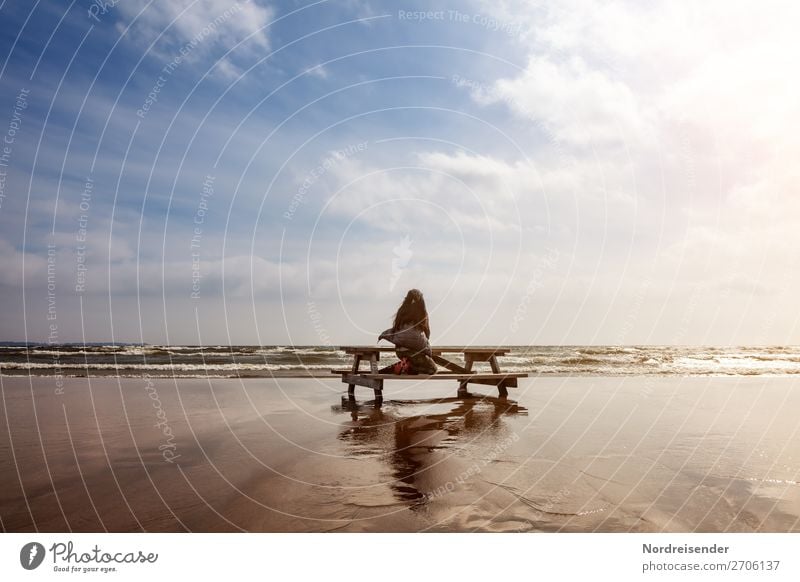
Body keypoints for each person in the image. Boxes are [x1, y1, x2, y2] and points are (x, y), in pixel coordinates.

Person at [378, 289, 438, 375]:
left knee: (414, 370)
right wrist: (427, 348)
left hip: (400, 352)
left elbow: (396, 328)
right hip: (414, 354)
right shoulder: (422, 312)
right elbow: (427, 333)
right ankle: (406, 366)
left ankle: (405, 365)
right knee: (433, 369)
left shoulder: (401, 311)